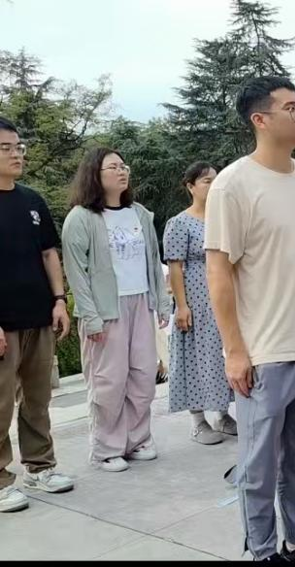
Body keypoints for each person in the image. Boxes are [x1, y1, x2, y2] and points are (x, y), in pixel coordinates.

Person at [204, 77, 295, 562]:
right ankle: (262, 551)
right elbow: (219, 271)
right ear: (260, 120)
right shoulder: (233, 184)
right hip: (266, 352)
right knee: (258, 466)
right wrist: (235, 350)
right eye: (290, 108)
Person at [62, 147, 172, 473]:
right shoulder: (81, 218)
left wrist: (161, 302)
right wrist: (90, 316)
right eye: (113, 167)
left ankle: (137, 439)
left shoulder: (139, 213)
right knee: (108, 381)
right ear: (95, 175)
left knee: (143, 375)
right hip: (105, 309)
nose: (122, 171)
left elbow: (154, 261)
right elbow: (76, 273)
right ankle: (106, 448)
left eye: (124, 166)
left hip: (141, 302)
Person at [0, 117, 75, 513]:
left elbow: (49, 252)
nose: (17, 154)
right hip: (3, 324)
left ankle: (40, 467)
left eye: (19, 147)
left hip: (38, 315)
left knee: (37, 399)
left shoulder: (31, 200)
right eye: (6, 148)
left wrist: (59, 300)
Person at [163, 162, 237, 447]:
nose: (212, 185)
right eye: (206, 181)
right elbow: (175, 267)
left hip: (224, 296)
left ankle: (222, 414)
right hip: (196, 299)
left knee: (222, 354)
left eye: (216, 180)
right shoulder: (180, 223)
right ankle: (198, 420)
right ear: (190, 186)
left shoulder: (224, 219)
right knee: (196, 356)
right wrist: (181, 306)